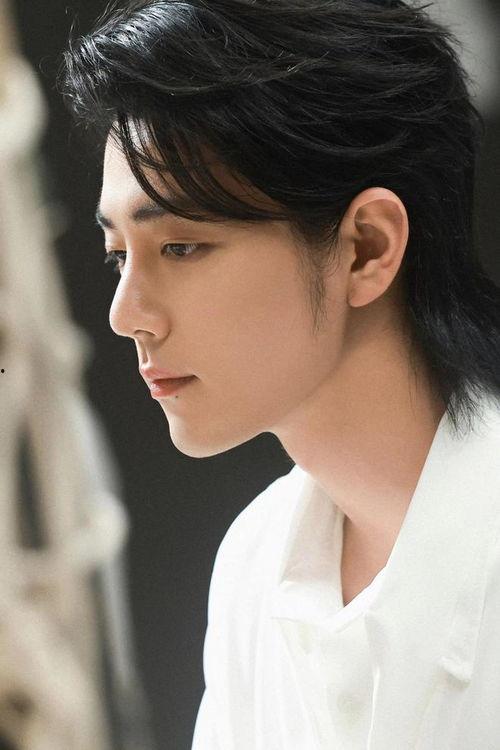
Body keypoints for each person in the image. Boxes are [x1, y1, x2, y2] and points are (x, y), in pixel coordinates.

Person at [60, 0, 500, 747]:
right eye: (117, 257)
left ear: (365, 248)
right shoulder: (256, 563)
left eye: (180, 248)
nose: (127, 314)